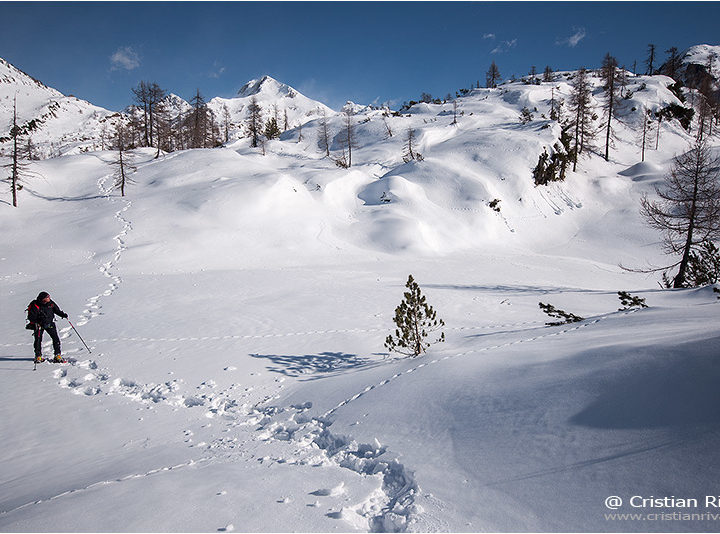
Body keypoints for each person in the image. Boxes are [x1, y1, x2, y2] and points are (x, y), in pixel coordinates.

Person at [27, 291, 68, 363]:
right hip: (39, 325)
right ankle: (38, 356)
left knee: (56, 339)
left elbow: (56, 310)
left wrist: (63, 315)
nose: (49, 298)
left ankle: (57, 355)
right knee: (38, 340)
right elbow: (31, 317)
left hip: (49, 324)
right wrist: (37, 321)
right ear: (43, 299)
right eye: (47, 297)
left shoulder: (51, 303)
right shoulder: (35, 305)